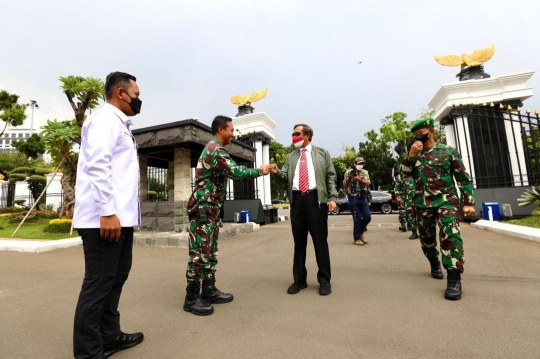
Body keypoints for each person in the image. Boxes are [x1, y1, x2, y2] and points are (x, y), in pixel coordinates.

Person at [73, 72, 144, 359]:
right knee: (99, 282)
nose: (139, 100)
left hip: (119, 220)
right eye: (136, 95)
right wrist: (107, 212)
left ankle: (110, 336)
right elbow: (98, 166)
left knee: (115, 278)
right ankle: (89, 352)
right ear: (120, 93)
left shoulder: (119, 123)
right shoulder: (104, 119)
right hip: (103, 219)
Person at [184, 115, 272, 316]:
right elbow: (237, 172)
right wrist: (261, 170)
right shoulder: (215, 150)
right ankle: (191, 298)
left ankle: (208, 290)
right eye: (231, 130)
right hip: (204, 210)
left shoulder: (217, 149)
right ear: (220, 130)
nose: (234, 134)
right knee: (199, 253)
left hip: (211, 210)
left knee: (210, 251)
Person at [402, 117, 476, 301]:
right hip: (422, 202)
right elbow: (404, 174)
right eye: (415, 134)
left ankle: (454, 278)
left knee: (450, 236)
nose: (418, 137)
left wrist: (468, 202)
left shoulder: (448, 151)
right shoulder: (414, 154)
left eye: (421, 133)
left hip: (446, 201)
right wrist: (411, 156)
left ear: (431, 132)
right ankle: (433, 261)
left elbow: (463, 178)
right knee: (427, 240)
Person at [271, 124, 338, 296]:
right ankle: (299, 280)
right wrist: (277, 171)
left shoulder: (322, 153)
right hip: (297, 201)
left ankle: (324, 280)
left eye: (297, 134)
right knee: (299, 242)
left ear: (307, 135)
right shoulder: (291, 157)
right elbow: (285, 176)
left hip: (316, 200)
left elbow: (331, 176)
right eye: (292, 134)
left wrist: (332, 198)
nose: (293, 137)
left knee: (320, 242)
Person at [343, 157, 371, 246]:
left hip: (362, 196)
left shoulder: (365, 172)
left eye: (362, 163)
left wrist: (359, 179)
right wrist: (349, 178)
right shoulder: (348, 173)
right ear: (354, 164)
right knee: (357, 218)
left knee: (367, 217)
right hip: (352, 197)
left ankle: (360, 232)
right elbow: (344, 186)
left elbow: (368, 183)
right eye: (359, 163)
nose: (360, 165)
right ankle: (356, 238)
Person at [393, 163, 408, 233]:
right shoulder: (399, 177)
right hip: (402, 197)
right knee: (402, 211)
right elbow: (396, 188)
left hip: (412, 196)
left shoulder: (413, 176)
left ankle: (411, 225)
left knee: (412, 212)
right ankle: (403, 224)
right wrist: (398, 197)